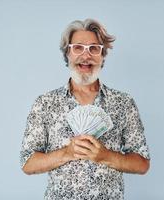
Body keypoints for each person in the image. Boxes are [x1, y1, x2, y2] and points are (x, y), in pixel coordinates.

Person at [20, 18, 150, 200]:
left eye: (94, 48)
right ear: (67, 54)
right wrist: (67, 153)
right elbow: (28, 163)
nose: (86, 55)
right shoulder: (45, 103)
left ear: (103, 55)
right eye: (78, 47)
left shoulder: (124, 103)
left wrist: (105, 156)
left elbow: (142, 164)